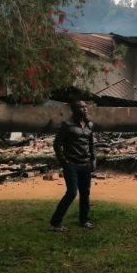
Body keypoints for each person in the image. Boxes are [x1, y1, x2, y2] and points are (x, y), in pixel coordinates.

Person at [50, 99, 96, 231]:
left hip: (85, 164)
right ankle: (55, 223)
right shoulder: (67, 125)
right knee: (71, 193)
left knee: (85, 192)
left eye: (86, 107)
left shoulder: (89, 125)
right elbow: (57, 144)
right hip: (72, 164)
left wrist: (93, 160)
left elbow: (92, 144)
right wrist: (64, 161)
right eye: (82, 108)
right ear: (75, 110)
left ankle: (84, 220)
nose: (85, 109)